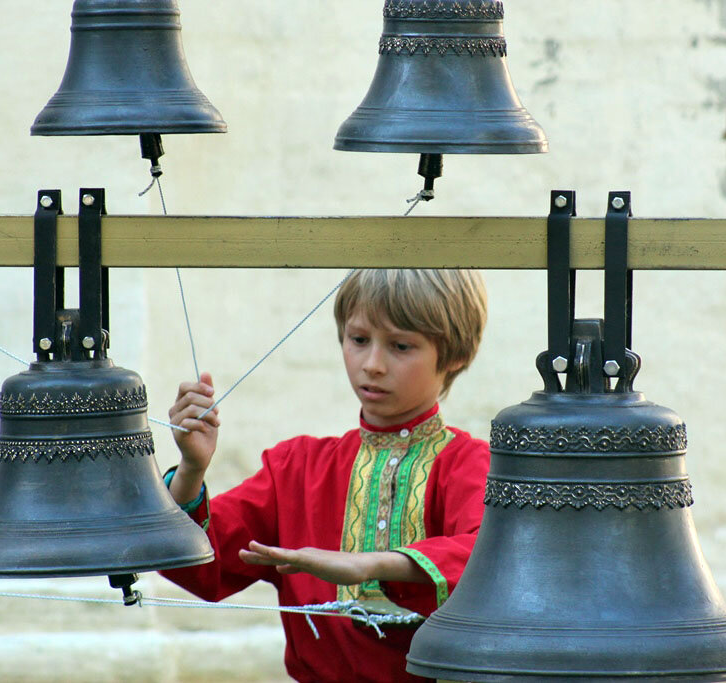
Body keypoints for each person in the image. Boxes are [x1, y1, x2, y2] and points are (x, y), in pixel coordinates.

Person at [159, 269, 490, 683]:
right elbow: (203, 566)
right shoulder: (296, 469)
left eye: (401, 346)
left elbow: (488, 560)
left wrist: (370, 565)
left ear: (456, 353)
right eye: (359, 340)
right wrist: (192, 469)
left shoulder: (470, 464)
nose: (372, 364)